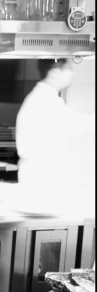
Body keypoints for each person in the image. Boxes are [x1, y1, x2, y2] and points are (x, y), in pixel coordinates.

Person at [15, 59, 95, 214]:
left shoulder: (43, 97)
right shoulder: (46, 100)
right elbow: (81, 126)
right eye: (69, 69)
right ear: (55, 72)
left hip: (39, 175)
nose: (72, 73)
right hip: (41, 177)